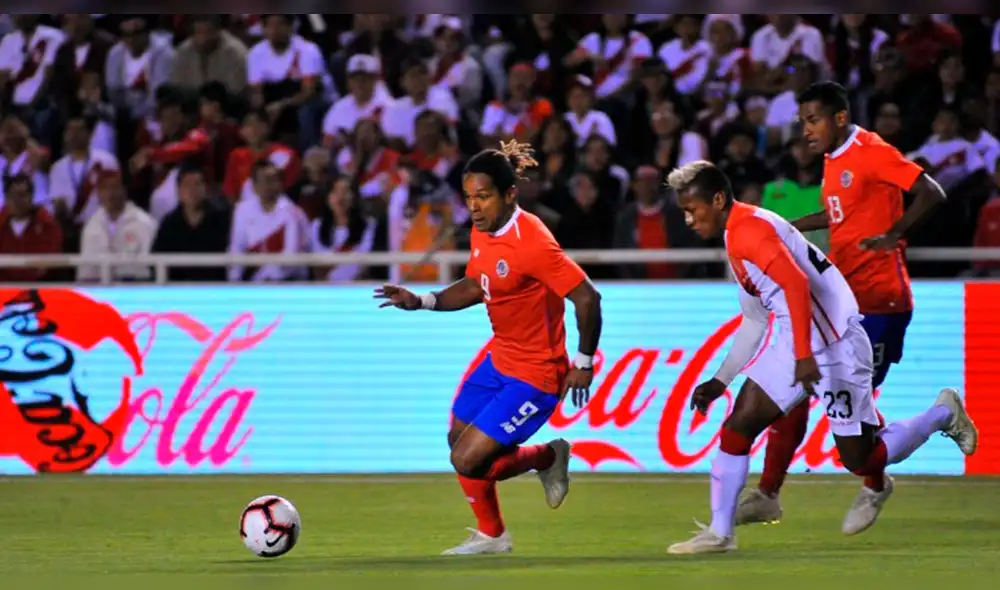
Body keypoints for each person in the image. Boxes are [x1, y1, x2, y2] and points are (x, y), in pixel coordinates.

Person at [664, 161, 976, 554]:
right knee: (739, 425)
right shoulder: (739, 232)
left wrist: (802, 355)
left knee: (861, 458)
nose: (689, 219)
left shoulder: (748, 231)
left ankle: (943, 414)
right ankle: (720, 534)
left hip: (836, 344)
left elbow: (795, 282)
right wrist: (720, 380)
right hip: (800, 339)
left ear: (718, 199)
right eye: (684, 212)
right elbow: (754, 319)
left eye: (693, 209)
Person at [736, 81, 950, 527]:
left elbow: (931, 191)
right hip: (843, 300)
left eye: (812, 120)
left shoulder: (871, 151)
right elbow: (840, 218)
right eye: (801, 123)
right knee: (798, 389)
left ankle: (936, 421)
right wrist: (786, 228)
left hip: (881, 304)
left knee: (853, 427)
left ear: (838, 118)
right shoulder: (835, 159)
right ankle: (769, 492)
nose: (805, 131)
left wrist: (896, 234)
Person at [374, 140, 603, 556]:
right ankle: (494, 535)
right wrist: (423, 301)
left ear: (509, 194)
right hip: (500, 357)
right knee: (456, 442)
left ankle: (544, 460)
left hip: (537, 374)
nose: (474, 207)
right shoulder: (483, 232)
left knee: (467, 460)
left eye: (483, 197)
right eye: (469, 197)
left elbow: (587, 298)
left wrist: (584, 362)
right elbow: (477, 285)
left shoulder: (532, 241)